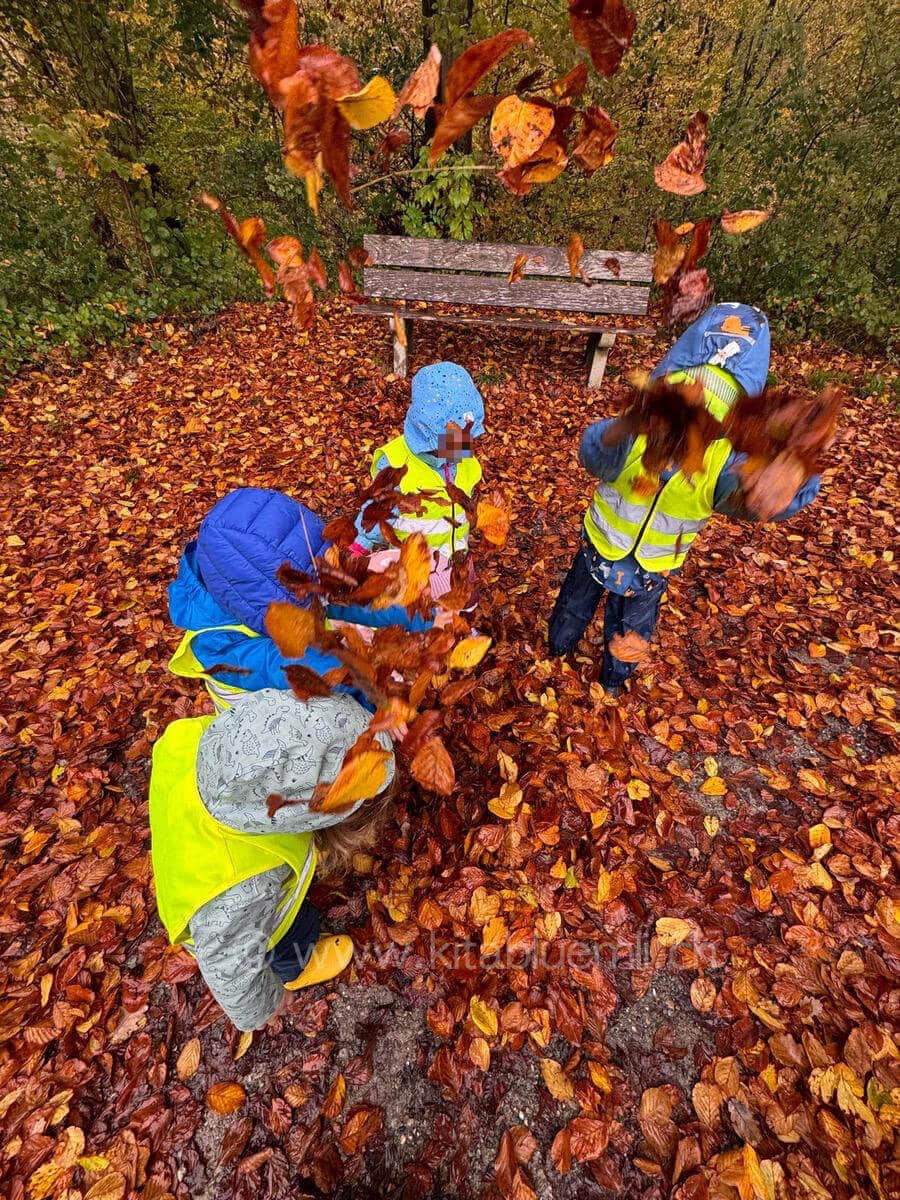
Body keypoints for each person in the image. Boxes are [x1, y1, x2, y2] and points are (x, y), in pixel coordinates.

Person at [547, 303, 822, 695]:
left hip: (652, 566)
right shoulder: (637, 434)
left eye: (716, 407)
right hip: (599, 543)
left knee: (630, 627)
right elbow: (594, 450)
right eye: (687, 395)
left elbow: (764, 500)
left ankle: (612, 682)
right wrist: (628, 425)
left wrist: (795, 469)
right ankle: (557, 650)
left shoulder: (725, 462)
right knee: (575, 603)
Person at [148, 688, 395, 1031]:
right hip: (221, 901)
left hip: (191, 827)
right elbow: (228, 965)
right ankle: (298, 968)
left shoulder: (197, 738)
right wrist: (266, 1004)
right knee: (292, 936)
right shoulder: (244, 887)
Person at [168, 487, 427, 711]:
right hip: (264, 723)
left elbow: (353, 600)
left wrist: (427, 617)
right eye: (307, 599)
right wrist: (374, 689)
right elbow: (297, 663)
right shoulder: (216, 644)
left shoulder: (259, 594)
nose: (321, 597)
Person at [351, 362, 485, 598]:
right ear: (428, 434)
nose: (465, 448)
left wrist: (481, 517)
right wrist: (360, 545)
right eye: (456, 441)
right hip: (415, 564)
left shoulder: (463, 460)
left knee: (462, 602)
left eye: (467, 438)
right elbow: (376, 511)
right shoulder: (395, 465)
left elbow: (466, 501)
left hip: (457, 556)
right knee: (424, 617)